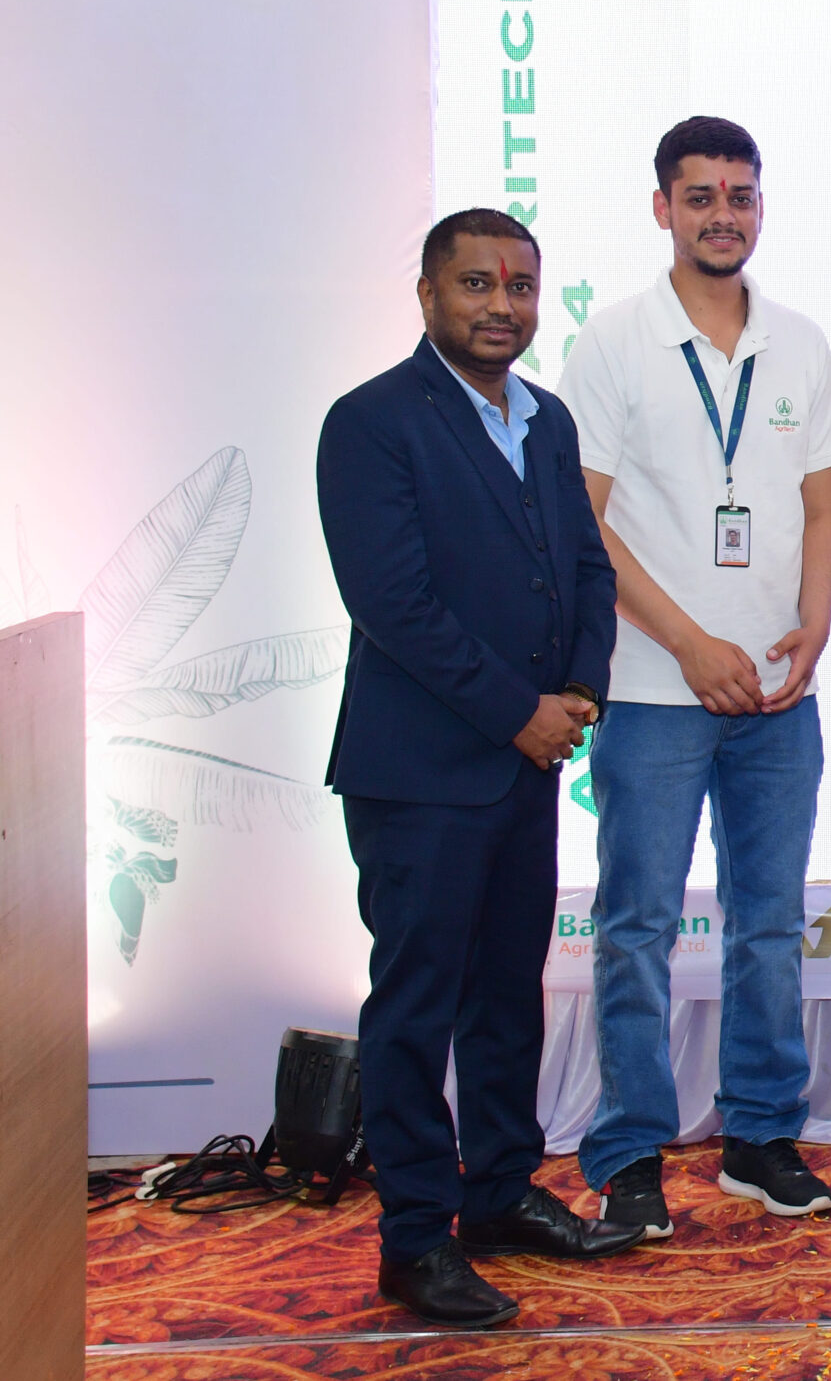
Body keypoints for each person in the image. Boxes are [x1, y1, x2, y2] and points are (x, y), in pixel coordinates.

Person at [318, 208, 641, 1328]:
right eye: (476, 284)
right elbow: (394, 604)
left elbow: (587, 568)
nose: (502, 305)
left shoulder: (546, 419)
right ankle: (415, 1239)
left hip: (525, 766)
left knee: (508, 997)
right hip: (420, 775)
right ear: (427, 294)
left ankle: (499, 1194)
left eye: (519, 286)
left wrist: (581, 689)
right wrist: (519, 714)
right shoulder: (369, 423)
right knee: (416, 1008)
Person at [564, 117, 831, 1236]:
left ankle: (761, 1135)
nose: (722, 214)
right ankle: (630, 1151)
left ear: (760, 207)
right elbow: (586, 526)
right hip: (652, 687)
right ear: (662, 209)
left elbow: (821, 505)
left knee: (768, 923)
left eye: (740, 195)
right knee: (636, 925)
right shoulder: (614, 344)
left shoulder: (800, 344)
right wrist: (687, 643)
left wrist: (816, 626)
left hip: (780, 693)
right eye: (701, 196)